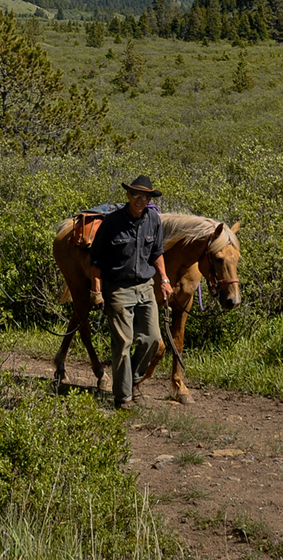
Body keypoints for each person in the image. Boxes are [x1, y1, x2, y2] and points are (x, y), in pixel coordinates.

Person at [89, 174, 172, 410]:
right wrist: (97, 290)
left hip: (145, 288)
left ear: (149, 199)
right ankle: (123, 398)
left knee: (153, 339)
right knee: (123, 343)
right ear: (128, 195)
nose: (139, 199)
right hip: (118, 288)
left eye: (144, 196)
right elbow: (96, 261)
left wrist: (164, 279)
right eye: (135, 194)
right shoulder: (111, 223)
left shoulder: (153, 220)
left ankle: (132, 380)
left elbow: (157, 253)